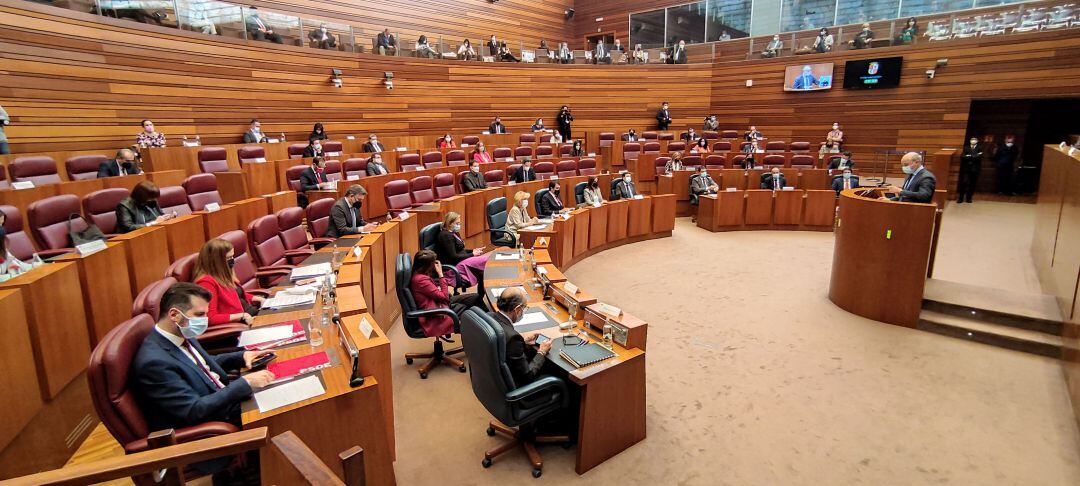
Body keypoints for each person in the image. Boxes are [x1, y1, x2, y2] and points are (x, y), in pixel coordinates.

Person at [130, 282, 274, 473]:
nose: (205, 320)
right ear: (174, 315)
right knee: (285, 416)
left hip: (222, 403)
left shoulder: (177, 333)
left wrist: (241, 356)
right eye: (199, 315)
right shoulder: (154, 363)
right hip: (209, 430)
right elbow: (193, 410)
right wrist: (244, 383)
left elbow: (201, 364)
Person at [488, 286, 553, 385]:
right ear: (517, 309)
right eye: (524, 308)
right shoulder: (513, 338)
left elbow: (502, 344)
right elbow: (527, 377)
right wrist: (542, 352)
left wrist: (523, 341)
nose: (524, 311)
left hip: (491, 376)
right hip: (515, 387)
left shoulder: (489, 316)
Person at [193, 239, 263, 327]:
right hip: (240, 326)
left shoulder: (223, 275)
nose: (232, 261)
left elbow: (237, 295)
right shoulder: (206, 283)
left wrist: (258, 298)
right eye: (229, 258)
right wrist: (241, 316)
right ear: (217, 261)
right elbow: (210, 318)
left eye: (232, 257)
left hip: (252, 315)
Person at [434, 212, 489, 287]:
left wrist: (473, 251)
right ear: (450, 224)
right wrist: (472, 254)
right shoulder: (445, 236)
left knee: (483, 273)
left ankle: (480, 298)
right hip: (455, 264)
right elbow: (453, 257)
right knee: (487, 260)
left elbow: (460, 250)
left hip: (462, 260)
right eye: (457, 223)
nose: (459, 225)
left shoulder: (454, 232)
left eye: (459, 223)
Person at [0, 211, 32, 279]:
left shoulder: (1, 248)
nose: (1, 228)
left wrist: (37, 267)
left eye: (2, 224)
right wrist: (15, 276)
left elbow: (15, 263)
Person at [957, 136, 984, 203]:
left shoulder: (980, 148)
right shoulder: (966, 147)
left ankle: (969, 198)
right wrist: (974, 156)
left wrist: (969, 156)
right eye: (972, 139)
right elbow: (962, 156)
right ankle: (960, 198)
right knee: (964, 182)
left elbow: (979, 157)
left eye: (974, 139)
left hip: (975, 169)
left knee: (972, 184)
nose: (973, 140)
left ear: (977, 141)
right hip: (966, 169)